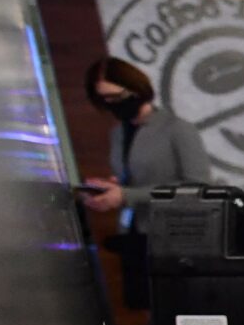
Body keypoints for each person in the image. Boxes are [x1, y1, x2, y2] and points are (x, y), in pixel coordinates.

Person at [79, 57, 211, 215]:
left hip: (177, 229)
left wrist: (127, 195)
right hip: (135, 228)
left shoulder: (177, 129)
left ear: (136, 89)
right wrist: (110, 189)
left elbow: (198, 188)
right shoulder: (118, 133)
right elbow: (133, 181)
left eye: (117, 97)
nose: (111, 104)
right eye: (104, 100)